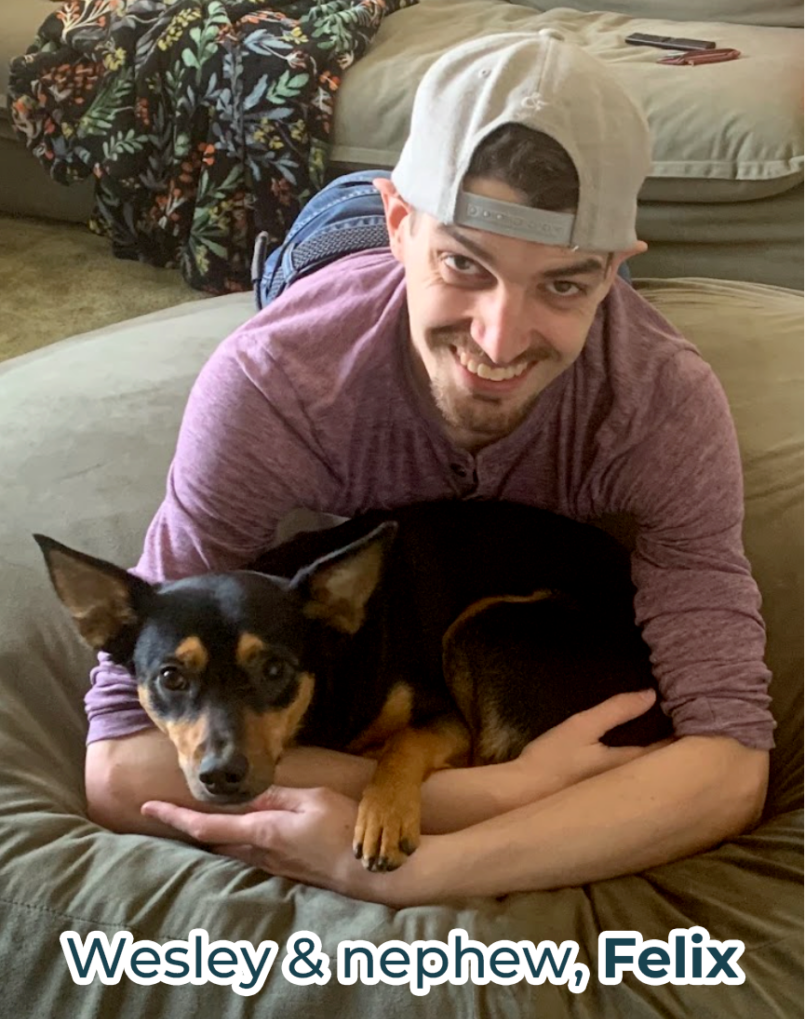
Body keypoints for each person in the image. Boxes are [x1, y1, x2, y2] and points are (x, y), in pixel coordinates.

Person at [85, 29, 774, 906]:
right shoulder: (275, 383)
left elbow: (729, 766)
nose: (497, 339)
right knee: (340, 254)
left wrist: (420, 867)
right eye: (463, 263)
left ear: (613, 272)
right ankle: (386, 244)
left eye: (565, 282)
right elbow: (116, 765)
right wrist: (486, 794)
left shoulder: (660, 406)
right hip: (336, 237)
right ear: (404, 225)